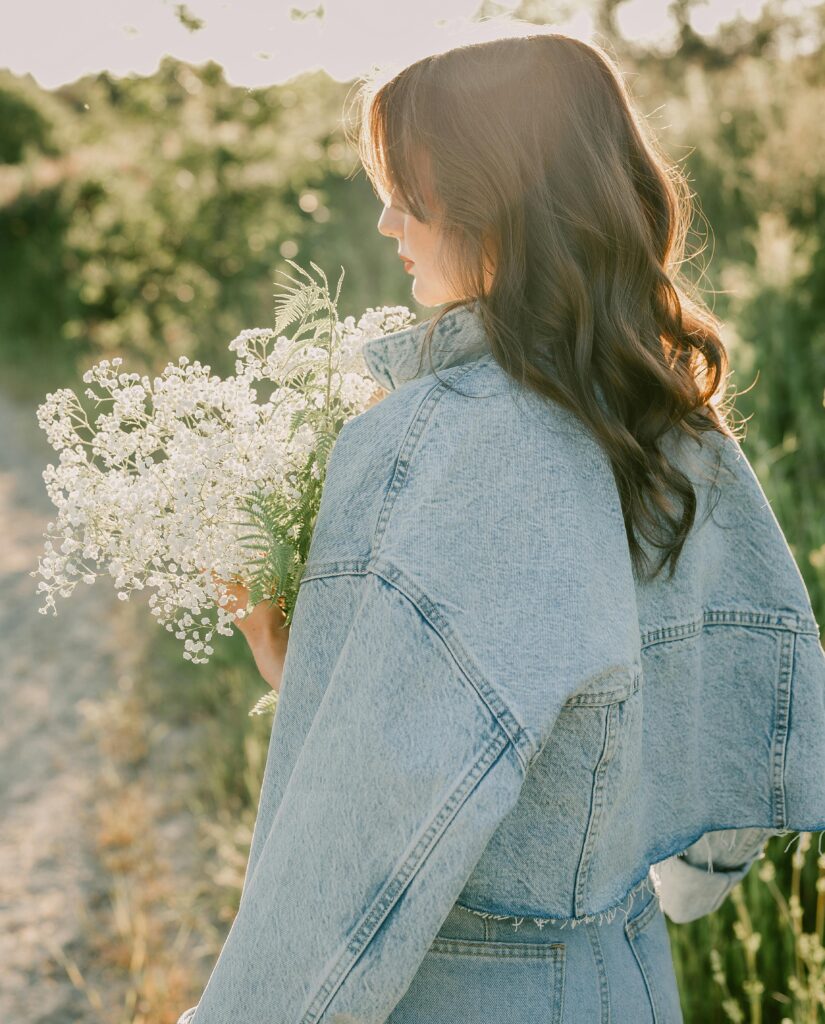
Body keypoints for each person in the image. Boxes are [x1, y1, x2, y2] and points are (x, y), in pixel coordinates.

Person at [176, 29, 825, 1024]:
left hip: (468, 988)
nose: (387, 218)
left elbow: (368, 847)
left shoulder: (441, 445)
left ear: (501, 201)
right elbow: (736, 720)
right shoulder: (668, 422)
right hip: (630, 975)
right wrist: (297, 662)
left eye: (410, 187)